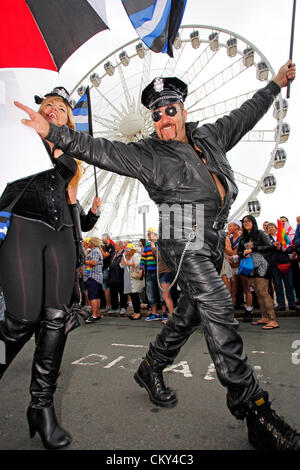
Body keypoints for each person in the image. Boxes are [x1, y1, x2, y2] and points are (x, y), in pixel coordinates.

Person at [15, 61, 300, 450]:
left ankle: (150, 366)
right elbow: (101, 149)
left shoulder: (212, 136)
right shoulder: (148, 155)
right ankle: (254, 408)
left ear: (183, 110)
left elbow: (246, 113)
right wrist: (55, 132)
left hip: (212, 237)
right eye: (156, 114)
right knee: (217, 304)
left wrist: (274, 84)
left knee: (190, 312)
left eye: (169, 110)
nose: (163, 119)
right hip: (180, 236)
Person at [0, 86, 85, 449]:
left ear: (68, 119)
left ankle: (42, 406)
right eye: (47, 105)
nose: (52, 110)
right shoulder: (17, 131)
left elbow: (71, 201)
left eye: (60, 108)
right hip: (22, 222)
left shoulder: (72, 153)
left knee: (55, 317)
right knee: (20, 318)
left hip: (62, 231)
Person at [238, 216, 279, 330]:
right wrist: (243, 253)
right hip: (250, 267)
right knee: (257, 292)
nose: (246, 223)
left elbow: (269, 246)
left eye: (248, 221)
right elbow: (239, 251)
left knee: (263, 291)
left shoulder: (260, 233)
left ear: (253, 222)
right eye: (244, 222)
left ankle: (272, 319)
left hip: (262, 265)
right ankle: (264, 317)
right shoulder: (243, 237)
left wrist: (253, 248)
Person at [267, 222, 297, 312]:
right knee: (278, 285)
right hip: (274, 265)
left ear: (276, 229)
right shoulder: (266, 239)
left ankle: (292, 304)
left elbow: (291, 248)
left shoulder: (283, 237)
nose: (271, 229)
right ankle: (281, 304)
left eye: (273, 227)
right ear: (267, 230)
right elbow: (265, 249)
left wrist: (283, 247)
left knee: (289, 284)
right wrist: (274, 246)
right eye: (269, 228)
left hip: (286, 263)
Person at [150, 241, 174, 324]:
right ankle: (172, 317)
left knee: (165, 295)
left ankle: (172, 318)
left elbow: (161, 257)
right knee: (167, 296)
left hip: (166, 273)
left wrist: (153, 248)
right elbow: (156, 258)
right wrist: (153, 249)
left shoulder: (167, 249)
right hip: (162, 273)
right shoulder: (161, 249)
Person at [140, 228, 161, 321]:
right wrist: (141, 268)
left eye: (149, 234)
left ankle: (164, 313)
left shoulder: (160, 244)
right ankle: (154, 313)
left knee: (162, 293)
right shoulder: (147, 245)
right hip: (149, 272)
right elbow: (142, 258)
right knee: (150, 292)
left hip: (160, 271)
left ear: (154, 235)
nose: (148, 236)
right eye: (148, 234)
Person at [120, 243, 145, 320]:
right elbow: (121, 265)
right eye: (126, 249)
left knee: (135, 296)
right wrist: (123, 256)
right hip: (128, 279)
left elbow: (138, 263)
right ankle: (135, 312)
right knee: (131, 295)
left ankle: (138, 313)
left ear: (132, 250)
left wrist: (129, 263)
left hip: (134, 279)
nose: (127, 251)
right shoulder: (126, 257)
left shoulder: (136, 255)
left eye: (128, 249)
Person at [83, 237, 103, 323]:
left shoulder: (95, 251)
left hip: (93, 277)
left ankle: (94, 315)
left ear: (93, 243)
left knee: (93, 296)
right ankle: (97, 314)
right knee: (96, 296)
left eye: (90, 241)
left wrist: (84, 260)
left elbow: (93, 262)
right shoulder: (94, 250)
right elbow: (90, 265)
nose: (88, 242)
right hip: (92, 276)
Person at [100, 233, 115, 312]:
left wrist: (100, 249)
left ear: (108, 238)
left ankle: (109, 305)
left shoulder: (111, 246)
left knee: (107, 287)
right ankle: (107, 305)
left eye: (103, 238)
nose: (102, 240)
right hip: (103, 268)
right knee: (104, 287)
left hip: (108, 268)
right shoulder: (105, 247)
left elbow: (105, 255)